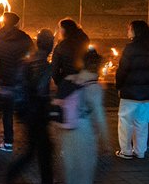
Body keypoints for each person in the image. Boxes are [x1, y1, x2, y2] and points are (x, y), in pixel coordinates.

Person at [6, 28, 55, 184]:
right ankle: (12, 173)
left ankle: (12, 173)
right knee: (42, 151)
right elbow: (41, 91)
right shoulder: (44, 65)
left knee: (35, 150)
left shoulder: (30, 59)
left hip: (29, 112)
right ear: (50, 45)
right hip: (37, 114)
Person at [57, 49, 107, 184]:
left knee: (71, 169)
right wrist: (106, 141)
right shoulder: (95, 87)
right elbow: (100, 117)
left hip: (67, 129)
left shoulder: (70, 79)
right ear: (98, 66)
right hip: (84, 131)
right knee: (85, 172)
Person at [0, 12, 33, 153]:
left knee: (7, 112)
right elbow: (32, 55)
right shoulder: (25, 38)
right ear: (16, 23)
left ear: (3, 23)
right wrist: (27, 72)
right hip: (21, 79)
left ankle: (8, 142)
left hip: (5, 80)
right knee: (25, 108)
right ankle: (32, 142)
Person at [116, 19, 149, 160]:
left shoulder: (130, 48)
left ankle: (126, 151)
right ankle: (140, 151)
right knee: (141, 122)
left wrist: (119, 86)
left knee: (125, 121)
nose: (127, 31)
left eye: (129, 29)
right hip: (146, 93)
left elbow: (122, 70)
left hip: (130, 91)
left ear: (136, 31)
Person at [51, 18, 90, 99]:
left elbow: (55, 69)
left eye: (60, 29)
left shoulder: (61, 47)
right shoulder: (84, 42)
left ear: (64, 30)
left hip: (67, 84)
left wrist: (60, 82)